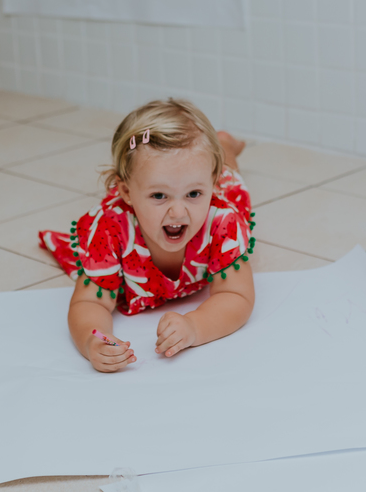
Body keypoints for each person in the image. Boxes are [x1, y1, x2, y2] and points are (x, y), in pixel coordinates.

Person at [39, 98, 255, 372]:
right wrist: (92, 341)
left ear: (211, 184)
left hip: (220, 185)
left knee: (230, 172)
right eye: (159, 195)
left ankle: (225, 147)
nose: (178, 212)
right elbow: (88, 302)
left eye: (193, 193)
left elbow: (237, 295)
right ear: (126, 193)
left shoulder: (221, 221)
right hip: (133, 206)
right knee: (158, 182)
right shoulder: (109, 230)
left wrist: (194, 325)